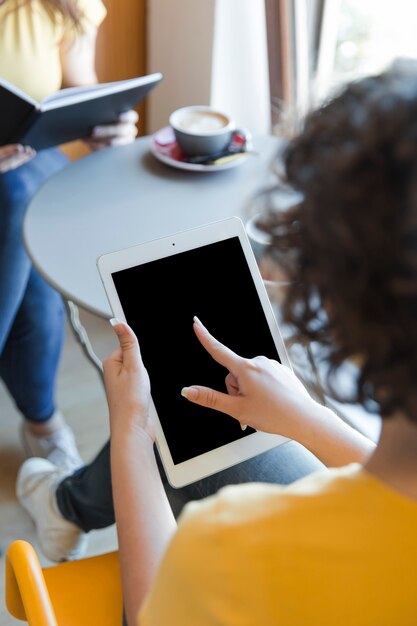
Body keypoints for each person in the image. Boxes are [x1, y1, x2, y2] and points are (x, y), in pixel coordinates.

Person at [17, 58, 417, 624]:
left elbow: (148, 613)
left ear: (332, 299)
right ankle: (68, 505)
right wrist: (305, 418)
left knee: (183, 424)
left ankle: (67, 504)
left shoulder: (231, 546)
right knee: (213, 414)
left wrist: (132, 427)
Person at [0, 0, 138, 470]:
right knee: (23, 199)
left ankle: (42, 420)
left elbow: (78, 83)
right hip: (23, 183)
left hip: (24, 169)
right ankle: (43, 421)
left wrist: (105, 121)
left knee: (22, 194)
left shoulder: (61, 4)